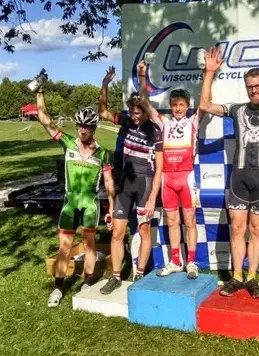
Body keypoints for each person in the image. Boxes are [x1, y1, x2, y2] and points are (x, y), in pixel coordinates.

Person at [199, 47, 259, 298]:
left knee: (257, 230)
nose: (254, 91)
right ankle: (237, 277)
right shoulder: (238, 109)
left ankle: (252, 278)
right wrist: (209, 73)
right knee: (237, 230)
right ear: (246, 87)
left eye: (258, 86)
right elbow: (204, 105)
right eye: (250, 87)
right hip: (238, 178)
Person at [36, 86, 115, 308]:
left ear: (93, 128)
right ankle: (58, 288)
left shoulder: (102, 153)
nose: (82, 130)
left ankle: (88, 283)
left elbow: (109, 182)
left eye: (87, 127)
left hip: (90, 203)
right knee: (64, 247)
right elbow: (45, 121)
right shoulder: (68, 143)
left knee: (89, 245)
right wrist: (40, 93)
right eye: (80, 126)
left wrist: (111, 208)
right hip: (70, 202)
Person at [97, 66, 163, 295]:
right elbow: (102, 110)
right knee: (117, 232)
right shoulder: (125, 121)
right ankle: (115, 276)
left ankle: (140, 275)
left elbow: (160, 168)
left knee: (144, 232)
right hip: (125, 183)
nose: (135, 116)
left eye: (139, 112)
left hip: (144, 182)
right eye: (132, 112)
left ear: (145, 111)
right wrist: (105, 84)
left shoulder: (154, 129)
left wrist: (143, 77)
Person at [135, 60, 202, 279]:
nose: (178, 108)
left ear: (188, 105)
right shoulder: (164, 122)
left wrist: (208, 72)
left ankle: (191, 262)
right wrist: (142, 77)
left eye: (182, 105)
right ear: (171, 106)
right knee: (172, 221)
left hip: (186, 178)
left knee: (189, 221)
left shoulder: (193, 121)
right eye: (175, 105)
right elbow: (145, 103)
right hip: (167, 179)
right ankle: (175, 261)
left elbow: (205, 101)